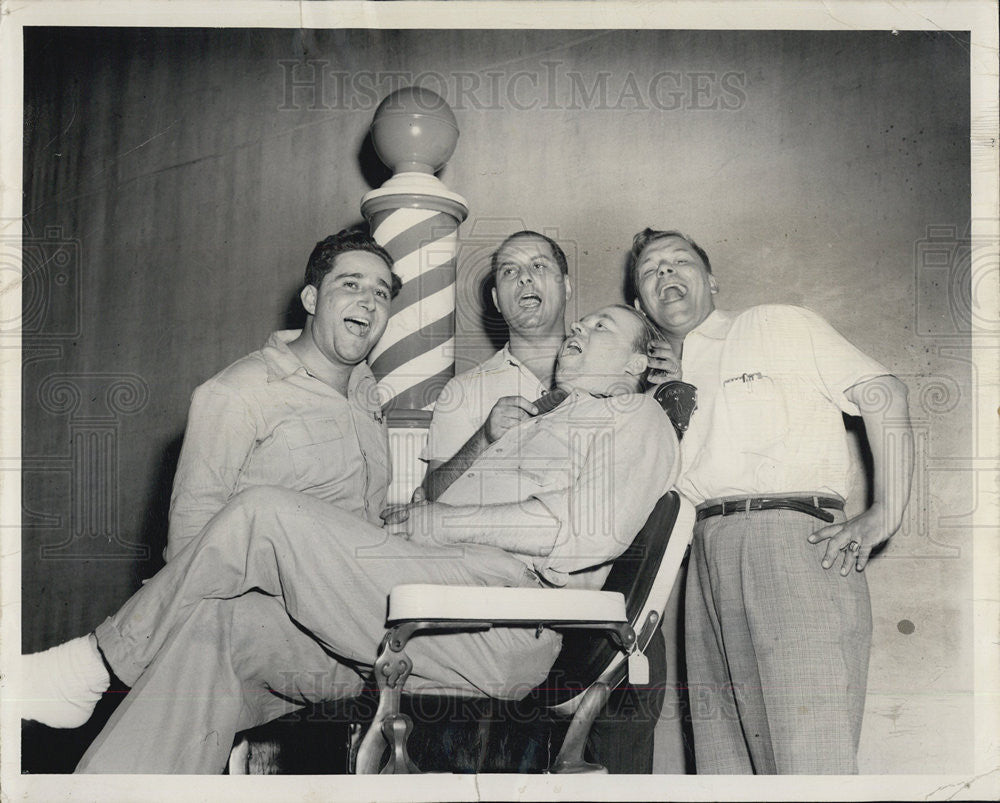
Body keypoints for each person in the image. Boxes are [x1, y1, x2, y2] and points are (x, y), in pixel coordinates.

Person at [22, 303, 678, 775]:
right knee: (218, 625)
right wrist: (434, 507)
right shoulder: (538, 418)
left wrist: (444, 523)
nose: (580, 329)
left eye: (603, 328)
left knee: (263, 514)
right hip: (424, 608)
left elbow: (585, 532)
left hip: (497, 621)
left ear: (636, 363)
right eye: (583, 321)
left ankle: (94, 666)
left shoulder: (633, 417)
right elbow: (434, 511)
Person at [632, 227, 914, 774]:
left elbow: (885, 393)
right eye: (649, 270)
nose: (664, 272)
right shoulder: (666, 386)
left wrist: (885, 515)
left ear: (711, 280)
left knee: (811, 760)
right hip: (705, 557)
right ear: (640, 302)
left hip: (792, 541)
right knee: (726, 767)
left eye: (678, 260)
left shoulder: (772, 323)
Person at [421, 230, 670, 774]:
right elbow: (431, 501)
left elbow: (609, 518)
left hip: (584, 612)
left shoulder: (626, 397)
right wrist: (484, 440)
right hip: (487, 602)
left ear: (565, 284)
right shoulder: (465, 392)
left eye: (538, 266)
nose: (524, 278)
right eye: (508, 271)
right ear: (494, 297)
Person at [165, 227, 400, 563]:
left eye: (381, 293)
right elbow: (189, 535)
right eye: (351, 284)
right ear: (311, 299)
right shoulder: (236, 391)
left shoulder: (367, 391)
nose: (368, 302)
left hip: (358, 580)